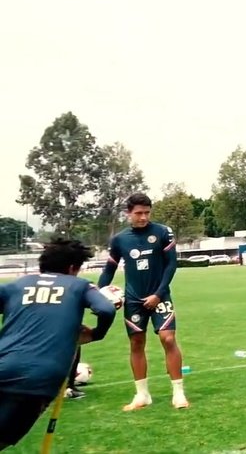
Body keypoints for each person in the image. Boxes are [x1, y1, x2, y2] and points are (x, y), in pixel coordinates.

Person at [0, 237, 117, 450]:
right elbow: (106, 309)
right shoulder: (79, 286)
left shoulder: (18, 284)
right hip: (37, 378)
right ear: (73, 268)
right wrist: (96, 334)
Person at [99, 192, 189, 411]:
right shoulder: (120, 239)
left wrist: (158, 294)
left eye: (147, 213)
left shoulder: (162, 232)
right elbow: (109, 269)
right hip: (133, 301)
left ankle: (178, 393)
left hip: (160, 296)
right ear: (128, 213)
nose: (143, 217)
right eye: (138, 213)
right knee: (136, 343)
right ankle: (142, 395)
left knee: (168, 339)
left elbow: (171, 265)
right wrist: (101, 295)